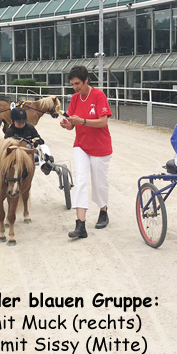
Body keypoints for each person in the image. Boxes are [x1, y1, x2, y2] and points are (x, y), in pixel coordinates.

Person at [60, 66, 113, 239]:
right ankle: (80, 225)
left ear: (86, 81)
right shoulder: (75, 98)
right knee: (80, 180)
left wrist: (82, 121)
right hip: (81, 145)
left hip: (100, 146)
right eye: (72, 84)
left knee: (99, 182)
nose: (75, 87)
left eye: (77, 83)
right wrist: (67, 125)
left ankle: (103, 210)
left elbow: (103, 122)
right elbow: (72, 124)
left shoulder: (98, 96)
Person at [4, 107, 55, 175]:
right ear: (13, 121)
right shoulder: (10, 131)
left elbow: (40, 139)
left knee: (44, 146)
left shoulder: (30, 128)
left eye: (23, 122)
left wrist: (36, 142)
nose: (22, 124)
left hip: (30, 153)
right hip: (17, 155)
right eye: (19, 123)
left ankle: (45, 165)